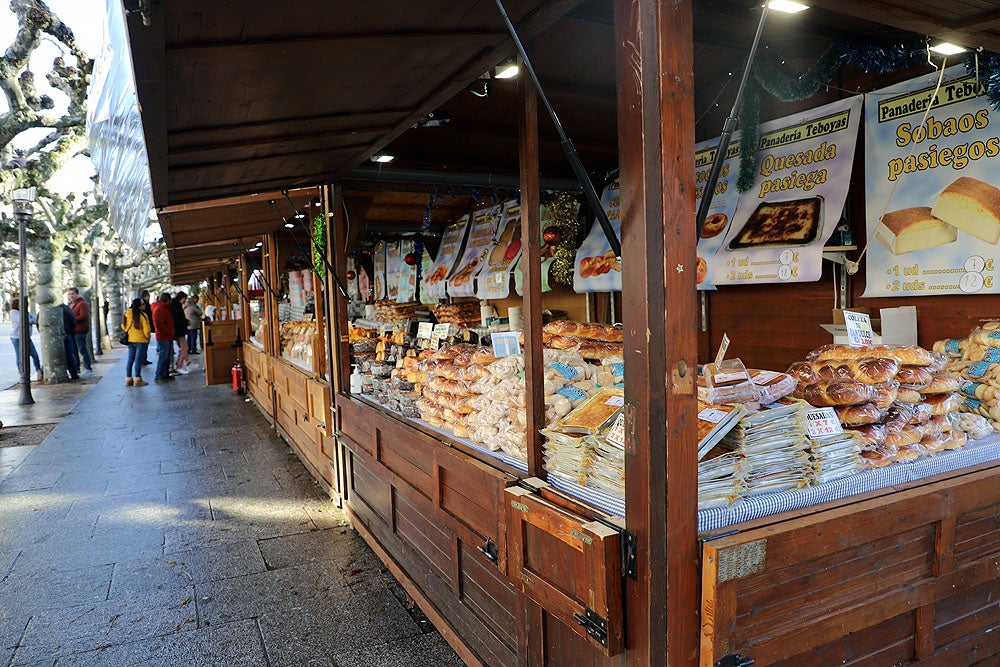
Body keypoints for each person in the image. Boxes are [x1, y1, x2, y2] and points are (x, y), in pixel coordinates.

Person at [10, 295, 42, 382]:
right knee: (20, 356)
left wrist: (31, 320)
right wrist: (31, 320)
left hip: (27, 337)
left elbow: (35, 319)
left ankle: (38, 371)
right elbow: (23, 320)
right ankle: (22, 375)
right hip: (17, 337)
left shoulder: (26, 312)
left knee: (34, 355)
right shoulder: (13, 312)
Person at [121, 297, 152, 386]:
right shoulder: (143, 315)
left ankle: (128, 378)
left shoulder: (127, 313)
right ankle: (137, 379)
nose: (144, 305)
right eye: (143, 304)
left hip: (130, 340)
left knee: (130, 359)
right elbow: (146, 329)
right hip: (141, 340)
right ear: (139, 306)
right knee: (138, 360)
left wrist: (130, 331)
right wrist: (147, 338)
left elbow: (123, 325)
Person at [66, 287, 93, 377]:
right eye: (69, 294)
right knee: (73, 351)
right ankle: (76, 368)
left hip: (80, 330)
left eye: (73, 294)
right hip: (72, 331)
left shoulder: (82, 304)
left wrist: (72, 319)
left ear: (77, 294)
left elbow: (83, 316)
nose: (71, 296)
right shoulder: (69, 304)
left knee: (82, 349)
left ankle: (87, 367)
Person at [151, 292, 175, 382]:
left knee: (166, 356)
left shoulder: (165, 308)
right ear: (167, 300)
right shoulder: (160, 309)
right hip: (163, 336)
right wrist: (168, 332)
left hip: (167, 335)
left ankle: (165, 374)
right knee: (164, 356)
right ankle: (159, 375)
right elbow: (159, 324)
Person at [171, 291, 192, 375]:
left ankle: (186, 362)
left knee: (183, 348)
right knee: (184, 349)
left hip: (179, 331)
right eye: (184, 299)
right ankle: (179, 366)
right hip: (179, 331)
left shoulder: (177, 306)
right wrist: (185, 322)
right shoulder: (176, 307)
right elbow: (176, 320)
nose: (185, 301)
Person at [61, 301, 80, 380]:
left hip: (65, 333)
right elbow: (73, 320)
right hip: (66, 334)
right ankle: (73, 373)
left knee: (69, 355)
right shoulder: (66, 308)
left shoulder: (65, 308)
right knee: (69, 355)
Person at [140, 290, 153, 366]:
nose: (149, 298)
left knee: (145, 344)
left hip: (146, 325)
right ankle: (142, 359)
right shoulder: (144, 304)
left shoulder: (145, 303)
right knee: (144, 344)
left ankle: (143, 359)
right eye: (148, 296)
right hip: (145, 326)